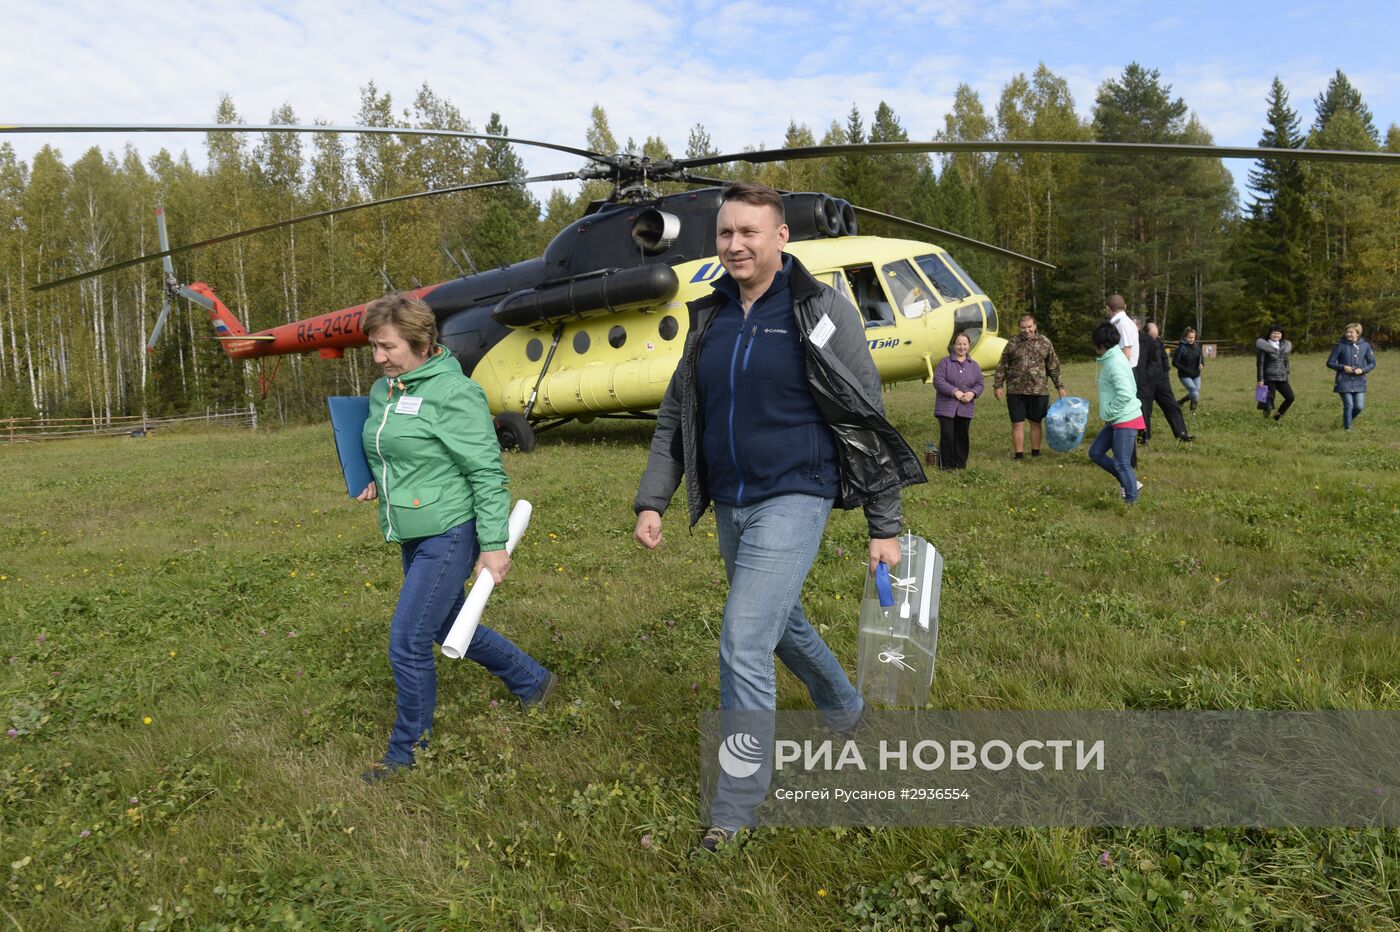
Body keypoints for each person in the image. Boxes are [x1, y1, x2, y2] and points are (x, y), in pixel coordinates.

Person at [632, 182, 924, 850]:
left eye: (749, 233)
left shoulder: (821, 310)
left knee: (742, 640)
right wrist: (655, 498)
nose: (734, 244)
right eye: (726, 233)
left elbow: (866, 419)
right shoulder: (708, 317)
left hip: (798, 489)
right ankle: (846, 710)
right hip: (733, 497)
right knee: (779, 621)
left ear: (781, 238)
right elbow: (679, 413)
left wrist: (885, 525)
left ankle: (735, 807)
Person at [356, 293, 556, 781]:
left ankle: (407, 753)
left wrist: (492, 545)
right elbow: (396, 449)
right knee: (446, 627)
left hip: (449, 532)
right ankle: (533, 681)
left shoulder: (453, 393)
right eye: (374, 348)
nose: (379, 357)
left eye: (387, 347)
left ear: (421, 342)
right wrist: (376, 479)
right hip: (411, 528)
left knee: (407, 641)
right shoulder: (387, 389)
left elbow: (487, 473)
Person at [992, 313, 1066, 459]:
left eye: (1029, 327)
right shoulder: (1012, 343)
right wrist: (998, 385)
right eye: (1023, 327)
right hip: (1015, 391)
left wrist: (1060, 387)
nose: (1026, 330)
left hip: (1038, 391)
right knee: (1017, 423)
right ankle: (1019, 454)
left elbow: (1053, 367)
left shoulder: (1045, 343)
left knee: (1036, 423)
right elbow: (1002, 366)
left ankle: (1035, 453)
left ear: (1035, 326)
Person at [1087, 321, 1145, 504]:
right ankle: (1131, 483)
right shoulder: (1112, 359)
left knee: (1121, 463)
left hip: (1125, 418)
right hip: (1116, 419)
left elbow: (1126, 393)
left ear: (1100, 343)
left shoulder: (1114, 363)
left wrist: (1110, 410)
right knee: (1095, 452)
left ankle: (1131, 500)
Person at [1135, 321, 1193, 444]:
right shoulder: (1137, 342)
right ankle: (1144, 438)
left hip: (1161, 380)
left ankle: (1182, 434)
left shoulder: (1158, 341)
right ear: (1145, 333)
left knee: (1172, 406)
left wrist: (1165, 372)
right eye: (1152, 336)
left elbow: (1164, 357)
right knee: (1145, 410)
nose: (1154, 339)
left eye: (1156, 336)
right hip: (1145, 381)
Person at [932, 332, 984, 470]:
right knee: (947, 435)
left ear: (969, 346)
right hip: (946, 407)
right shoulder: (944, 363)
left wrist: (973, 393)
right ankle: (947, 465)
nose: (962, 347)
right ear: (954, 346)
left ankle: (960, 465)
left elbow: (980, 383)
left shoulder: (974, 365)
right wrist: (955, 391)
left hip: (965, 407)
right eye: (959, 344)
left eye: (964, 344)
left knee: (962, 436)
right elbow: (938, 381)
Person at [1326, 322, 1376, 429]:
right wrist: (1343, 367)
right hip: (1343, 380)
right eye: (1347, 332)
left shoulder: (1366, 346)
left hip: (1359, 381)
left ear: (1358, 333)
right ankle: (1347, 429)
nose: (1348, 334)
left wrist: (1362, 370)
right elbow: (1330, 362)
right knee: (1349, 405)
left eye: (1351, 332)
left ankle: (1347, 421)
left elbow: (1372, 363)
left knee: (1359, 407)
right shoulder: (1340, 346)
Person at [1256, 326, 1295, 420]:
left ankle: (1278, 415)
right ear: (1269, 334)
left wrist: (1286, 372)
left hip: (1282, 377)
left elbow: (1286, 362)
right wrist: (1260, 379)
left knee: (1290, 398)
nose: (1276, 335)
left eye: (1278, 333)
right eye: (1274, 333)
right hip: (1269, 377)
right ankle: (1266, 417)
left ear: (1281, 335)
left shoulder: (1284, 347)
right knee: (1269, 401)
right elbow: (1260, 364)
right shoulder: (1264, 347)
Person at [1173, 327, 1203, 412]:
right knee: (1195, 393)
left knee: (1196, 393)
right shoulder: (1181, 348)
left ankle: (1180, 403)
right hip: (1185, 375)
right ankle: (1192, 411)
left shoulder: (1196, 346)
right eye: (1189, 337)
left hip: (1196, 374)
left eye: (1193, 337)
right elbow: (1174, 362)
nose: (1191, 339)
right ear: (1185, 337)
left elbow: (1201, 356)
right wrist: (1185, 369)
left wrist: (1202, 363)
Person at [1106, 294, 1138, 367]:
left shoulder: (1122, 324)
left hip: (1124, 371)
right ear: (1125, 306)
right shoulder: (1125, 322)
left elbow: (1126, 353)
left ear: (1107, 308)